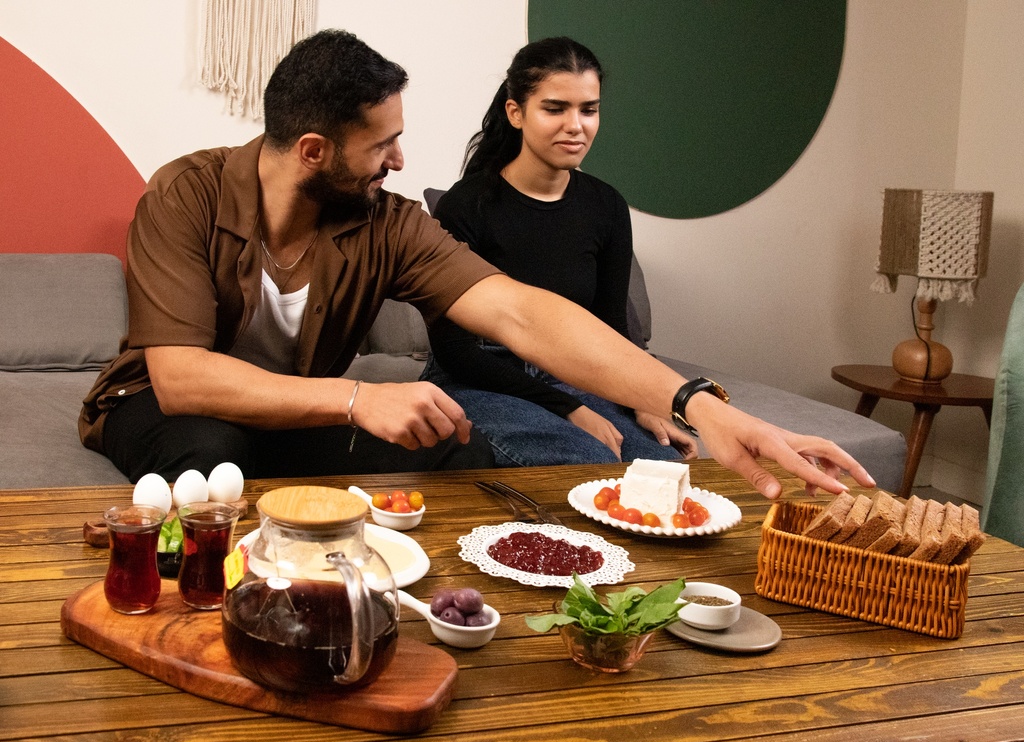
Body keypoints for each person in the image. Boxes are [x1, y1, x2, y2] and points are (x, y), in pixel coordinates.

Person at [79, 28, 873, 500]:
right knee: (214, 446)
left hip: (302, 411)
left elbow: (523, 312)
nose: (400, 157)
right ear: (314, 151)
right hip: (160, 403)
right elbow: (181, 375)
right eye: (382, 144)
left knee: (452, 444)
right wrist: (359, 397)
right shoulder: (184, 194)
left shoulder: (387, 223)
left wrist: (702, 404)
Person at [422, 37, 697, 468]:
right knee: (586, 461)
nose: (576, 125)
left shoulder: (606, 206)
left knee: (661, 469)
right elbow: (455, 351)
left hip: (572, 373)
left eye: (589, 109)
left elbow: (611, 328)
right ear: (516, 113)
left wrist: (644, 399)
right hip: (479, 380)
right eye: (555, 108)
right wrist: (567, 408)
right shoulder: (466, 205)